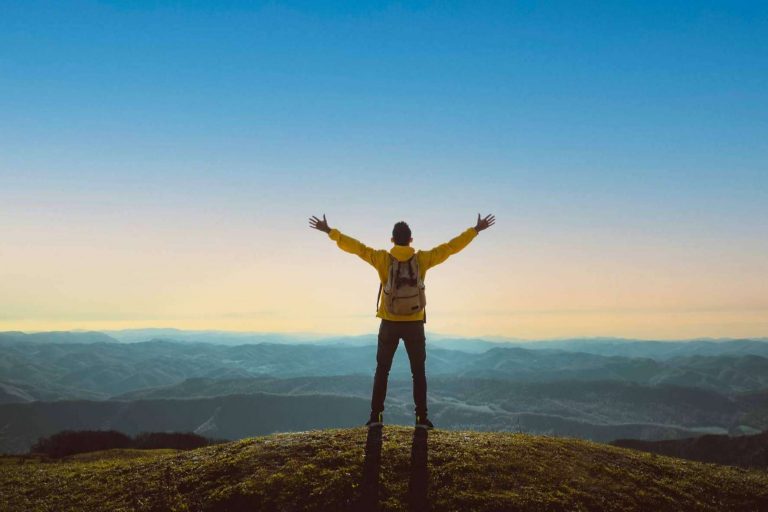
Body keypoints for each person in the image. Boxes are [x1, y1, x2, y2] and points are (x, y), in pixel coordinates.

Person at [309, 213, 495, 429]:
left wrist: (330, 231)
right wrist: (475, 230)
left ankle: (376, 417)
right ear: (411, 240)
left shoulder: (382, 258)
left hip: (389, 322)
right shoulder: (422, 259)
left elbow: (357, 248)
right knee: (418, 372)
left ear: (392, 240)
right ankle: (421, 419)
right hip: (414, 324)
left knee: (382, 370)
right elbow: (450, 247)